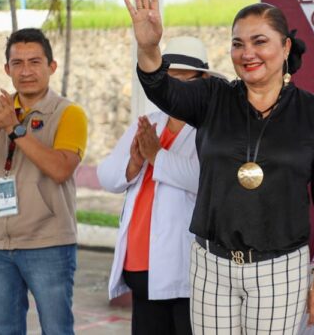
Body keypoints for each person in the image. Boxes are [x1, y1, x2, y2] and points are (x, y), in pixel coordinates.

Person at [123, 0, 314, 334]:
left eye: (260, 42)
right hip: (211, 264)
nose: (247, 53)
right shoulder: (213, 96)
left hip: (279, 268)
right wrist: (149, 48)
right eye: (238, 44)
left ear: (285, 46)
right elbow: (161, 88)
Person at [0, 28, 88, 335]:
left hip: (48, 244)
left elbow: (60, 169)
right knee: (3, 330)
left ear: (51, 67)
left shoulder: (69, 113)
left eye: (35, 62)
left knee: (57, 330)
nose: (26, 71)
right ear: (7, 69)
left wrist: (15, 128)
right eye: (17, 63)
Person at [97, 36, 226, 335]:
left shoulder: (213, 127)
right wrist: (134, 162)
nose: (174, 90)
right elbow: (106, 177)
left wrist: (156, 156)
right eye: (168, 80)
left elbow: (207, 180)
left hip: (188, 272)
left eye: (184, 80)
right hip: (141, 266)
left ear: (204, 80)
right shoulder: (149, 121)